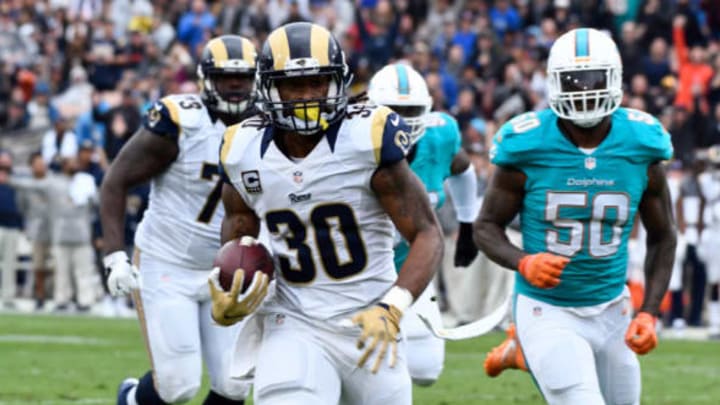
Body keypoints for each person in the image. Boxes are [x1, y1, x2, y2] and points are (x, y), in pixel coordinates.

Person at [212, 22, 444, 404]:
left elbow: (426, 232)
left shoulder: (366, 137)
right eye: (293, 85)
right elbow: (240, 236)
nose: (306, 96)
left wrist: (394, 307)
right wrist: (234, 290)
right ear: (269, 88)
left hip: (371, 321)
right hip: (294, 321)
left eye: (317, 83)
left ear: (338, 83)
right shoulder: (242, 149)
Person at [474, 28, 676, 404]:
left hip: (613, 306)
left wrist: (648, 313)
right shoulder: (527, 145)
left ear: (613, 77)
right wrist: (523, 261)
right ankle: (530, 345)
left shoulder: (641, 143)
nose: (584, 90)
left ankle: (522, 353)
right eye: (573, 81)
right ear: (554, 82)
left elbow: (664, 235)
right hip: (547, 308)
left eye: (593, 79)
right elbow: (485, 227)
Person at [100, 35, 258, 405]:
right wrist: (114, 256)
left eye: (244, 77)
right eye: (225, 77)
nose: (235, 86)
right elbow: (115, 182)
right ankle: (131, 399)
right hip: (167, 263)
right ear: (206, 78)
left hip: (226, 270)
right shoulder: (179, 121)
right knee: (177, 387)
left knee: (235, 384)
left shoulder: (267, 127)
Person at [366, 62, 479, 386]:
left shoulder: (439, 136)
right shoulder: (353, 145)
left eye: (410, 109)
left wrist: (468, 224)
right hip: (358, 277)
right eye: (394, 110)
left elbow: (463, 169)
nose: (402, 119)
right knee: (370, 372)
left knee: (426, 370)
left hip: (411, 270)